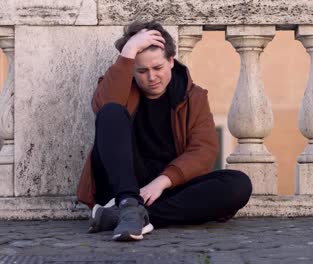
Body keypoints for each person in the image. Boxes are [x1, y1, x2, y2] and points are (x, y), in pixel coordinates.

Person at [76, 20, 252, 242]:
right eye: (142, 70)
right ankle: (128, 207)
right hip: (119, 189)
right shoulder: (119, 88)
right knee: (111, 111)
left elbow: (204, 151)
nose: (151, 77)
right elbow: (104, 109)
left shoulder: (193, 97)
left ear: (171, 61)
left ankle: (127, 217)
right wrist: (129, 51)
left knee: (238, 184)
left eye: (157, 67)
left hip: (165, 190)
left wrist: (161, 182)